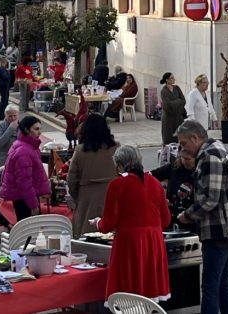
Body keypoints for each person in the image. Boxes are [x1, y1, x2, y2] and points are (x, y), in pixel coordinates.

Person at [174, 120, 228, 314]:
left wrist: (186, 215)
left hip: (221, 230)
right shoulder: (216, 148)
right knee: (223, 282)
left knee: (211, 285)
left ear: (195, 138)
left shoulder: (210, 157)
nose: (182, 148)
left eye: (184, 143)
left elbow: (210, 200)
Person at [91, 145, 170, 300]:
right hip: (154, 241)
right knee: (150, 288)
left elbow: (108, 224)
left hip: (129, 243)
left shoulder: (117, 185)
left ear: (120, 165)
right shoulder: (155, 182)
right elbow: (166, 220)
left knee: (129, 291)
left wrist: (97, 223)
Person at [68, 113, 118, 236]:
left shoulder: (80, 150)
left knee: (86, 230)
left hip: (86, 196)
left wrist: (77, 197)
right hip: (112, 192)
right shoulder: (115, 148)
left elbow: (72, 179)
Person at [0, 115, 51, 222]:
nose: (39, 132)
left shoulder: (27, 147)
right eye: (36, 129)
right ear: (27, 130)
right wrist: (33, 205)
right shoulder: (24, 151)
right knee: (30, 233)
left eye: (40, 129)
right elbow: (24, 183)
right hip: (24, 200)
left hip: (24, 198)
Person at [151, 147, 199, 228]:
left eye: (188, 159)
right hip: (172, 218)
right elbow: (151, 176)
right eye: (182, 158)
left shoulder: (200, 171)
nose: (184, 161)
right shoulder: (174, 168)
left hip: (192, 220)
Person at [160, 72, 186, 144]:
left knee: (179, 135)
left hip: (178, 116)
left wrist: (174, 102)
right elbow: (167, 105)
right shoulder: (164, 91)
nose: (174, 79)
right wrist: (178, 101)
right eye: (172, 78)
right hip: (169, 117)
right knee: (168, 136)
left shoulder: (177, 88)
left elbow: (183, 100)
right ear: (167, 80)